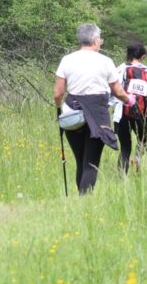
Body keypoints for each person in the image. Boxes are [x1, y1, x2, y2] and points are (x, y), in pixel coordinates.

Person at [54, 23, 129, 194]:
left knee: (80, 160)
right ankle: (84, 200)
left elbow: (58, 93)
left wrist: (59, 109)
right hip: (98, 115)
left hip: (72, 113)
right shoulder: (105, 61)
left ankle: (81, 197)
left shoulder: (67, 60)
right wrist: (129, 100)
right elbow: (117, 91)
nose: (100, 42)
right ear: (95, 40)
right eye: (100, 39)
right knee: (91, 163)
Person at [113, 44, 147, 173]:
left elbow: (113, 92)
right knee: (143, 140)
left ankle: (121, 178)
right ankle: (138, 159)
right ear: (143, 56)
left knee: (125, 147)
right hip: (142, 113)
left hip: (123, 112)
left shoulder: (120, 69)